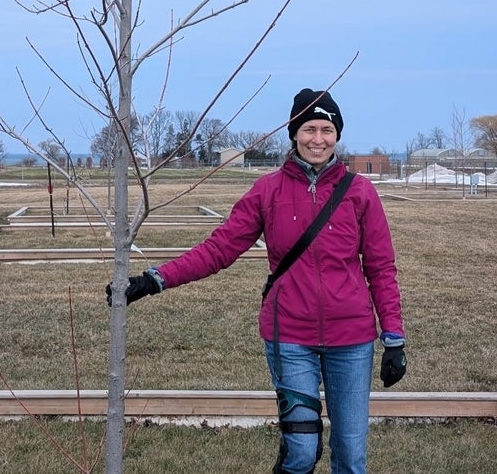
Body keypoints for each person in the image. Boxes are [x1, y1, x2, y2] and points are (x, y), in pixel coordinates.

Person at [106, 88, 407, 474]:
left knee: (350, 456)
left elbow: (381, 268)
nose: (318, 139)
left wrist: (394, 338)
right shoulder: (268, 192)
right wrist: (154, 279)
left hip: (351, 340)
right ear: (294, 133)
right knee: (300, 451)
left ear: (337, 135)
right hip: (290, 338)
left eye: (326, 130)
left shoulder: (360, 193)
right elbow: (219, 249)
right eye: (309, 129)